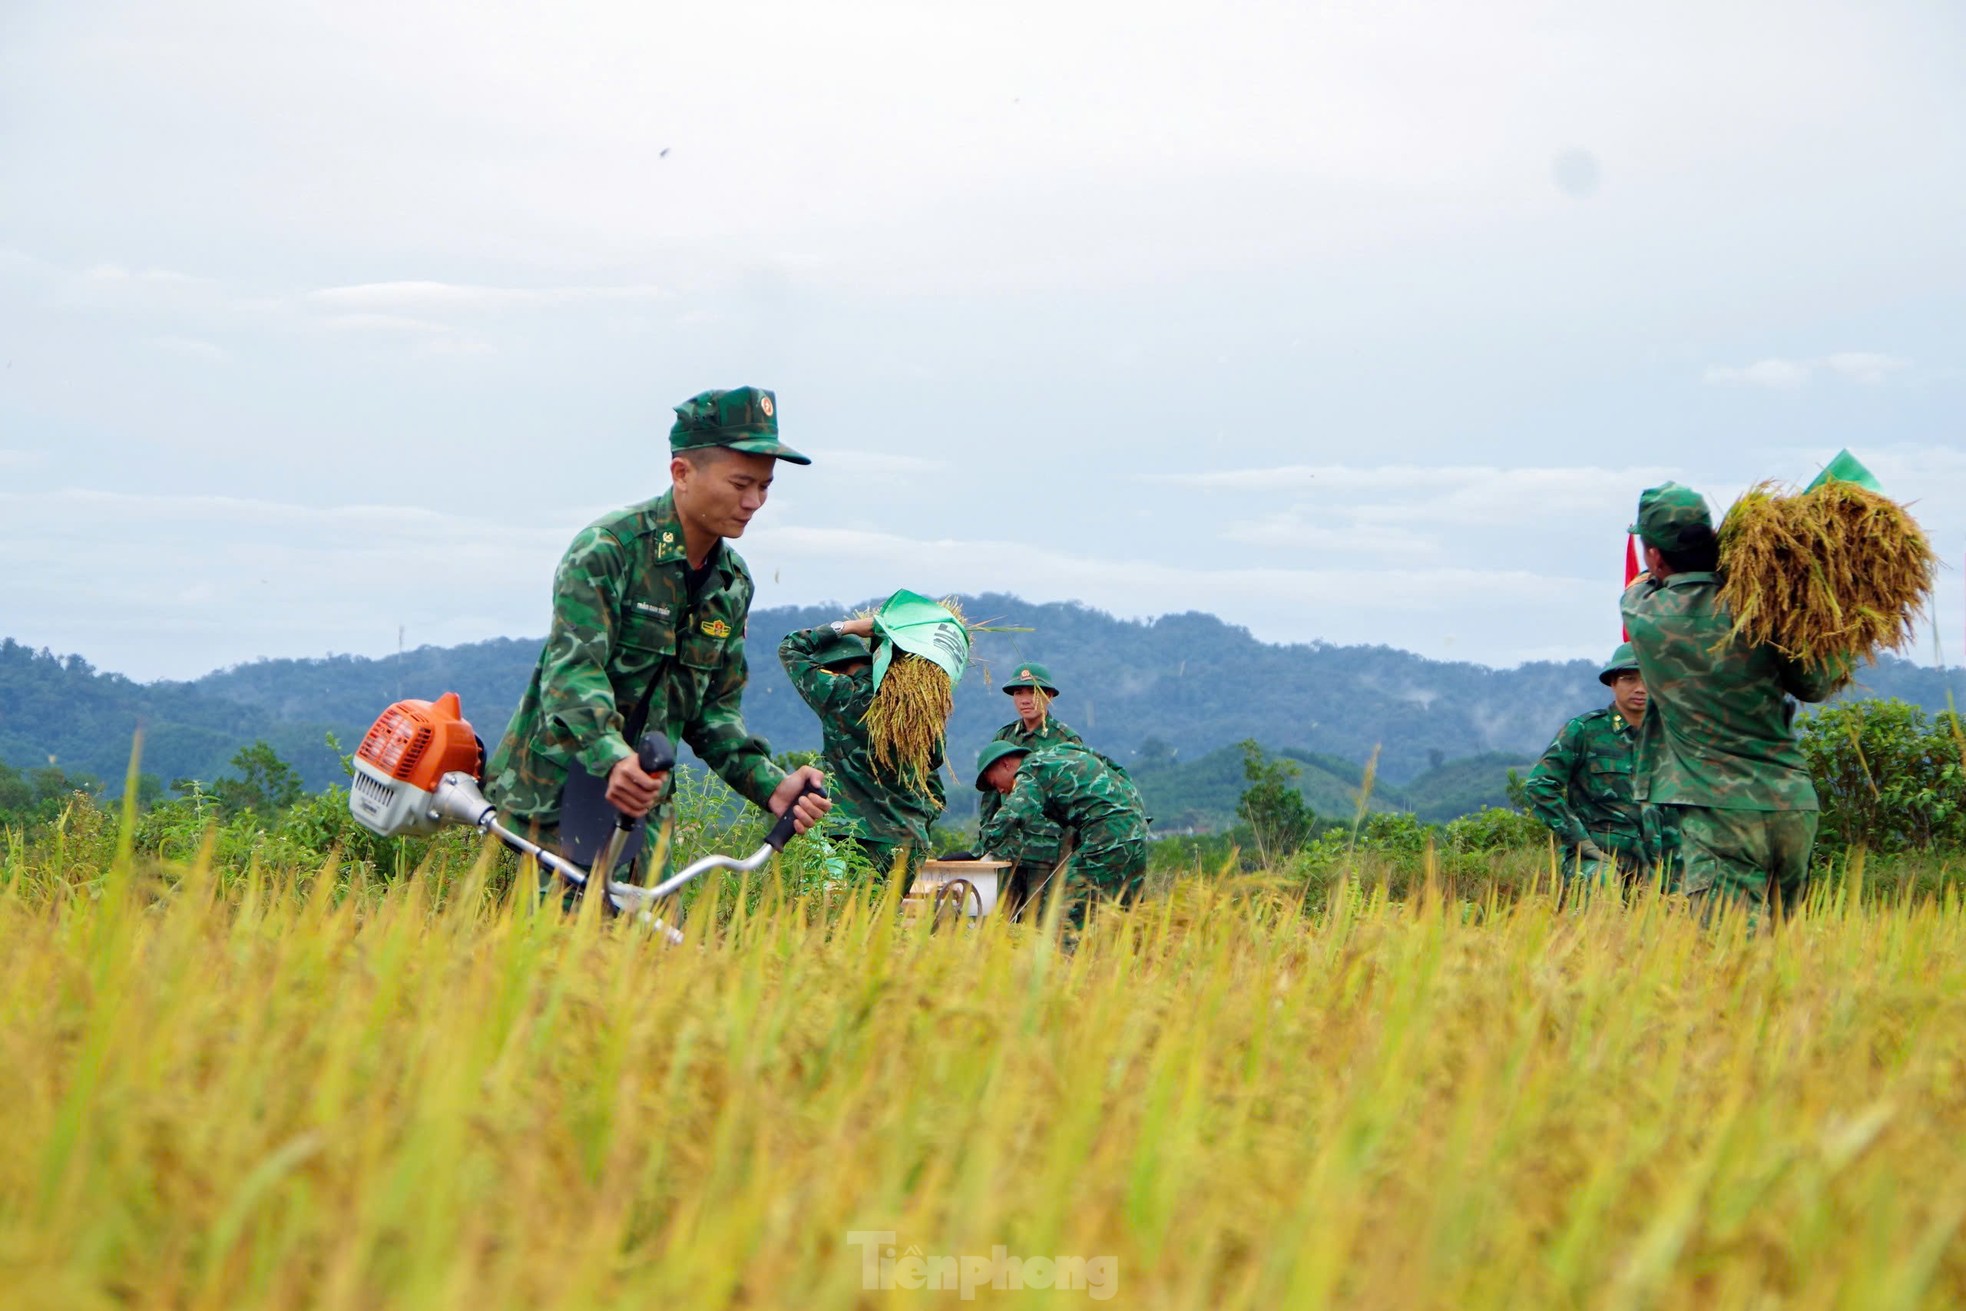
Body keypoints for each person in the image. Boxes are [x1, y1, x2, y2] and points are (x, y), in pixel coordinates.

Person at [485, 385, 831, 901]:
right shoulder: (609, 551)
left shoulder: (731, 585)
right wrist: (613, 757)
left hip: (645, 818)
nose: (754, 502)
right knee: (544, 963)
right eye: (740, 483)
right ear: (682, 473)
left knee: (644, 964)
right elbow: (573, 675)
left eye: (764, 486)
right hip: (554, 802)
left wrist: (771, 785)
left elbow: (714, 717)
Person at [1620, 482, 1844, 928]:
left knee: (1732, 957)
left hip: (1718, 809)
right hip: (1791, 804)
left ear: (1655, 555)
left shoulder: (1646, 615)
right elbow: (1817, 685)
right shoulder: (1765, 608)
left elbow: (1637, 588)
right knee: (1778, 950)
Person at [779, 615, 945, 881]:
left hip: (860, 836)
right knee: (882, 919)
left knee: (856, 920)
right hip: (911, 839)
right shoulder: (917, 706)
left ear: (834, 669)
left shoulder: (840, 694)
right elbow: (935, 760)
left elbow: (790, 648)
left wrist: (848, 627)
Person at [1522, 642, 1677, 891]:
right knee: (1604, 884)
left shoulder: (1672, 737)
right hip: (1599, 860)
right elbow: (1539, 787)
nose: (1640, 688)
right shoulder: (1585, 731)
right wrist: (1580, 840)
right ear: (1613, 683)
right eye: (1629, 679)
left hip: (1661, 863)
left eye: (1648, 679)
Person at [975, 739, 1149, 926]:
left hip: (1106, 834)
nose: (1000, 790)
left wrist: (976, 852)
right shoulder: (1064, 751)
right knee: (1129, 912)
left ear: (1005, 764)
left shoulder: (1031, 771)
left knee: (1059, 908)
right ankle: (1139, 953)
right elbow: (1116, 769)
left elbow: (1012, 815)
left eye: (995, 783)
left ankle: (1060, 954)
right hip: (1136, 829)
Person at [975, 662, 1084, 911]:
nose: (1025, 699)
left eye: (1032, 691)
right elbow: (992, 796)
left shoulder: (1065, 740)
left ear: (1049, 696)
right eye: (1018, 693)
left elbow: (1075, 799)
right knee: (1000, 918)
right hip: (1007, 849)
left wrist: (1070, 851)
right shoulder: (1004, 738)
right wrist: (985, 841)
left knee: (1039, 921)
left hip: (1047, 849)